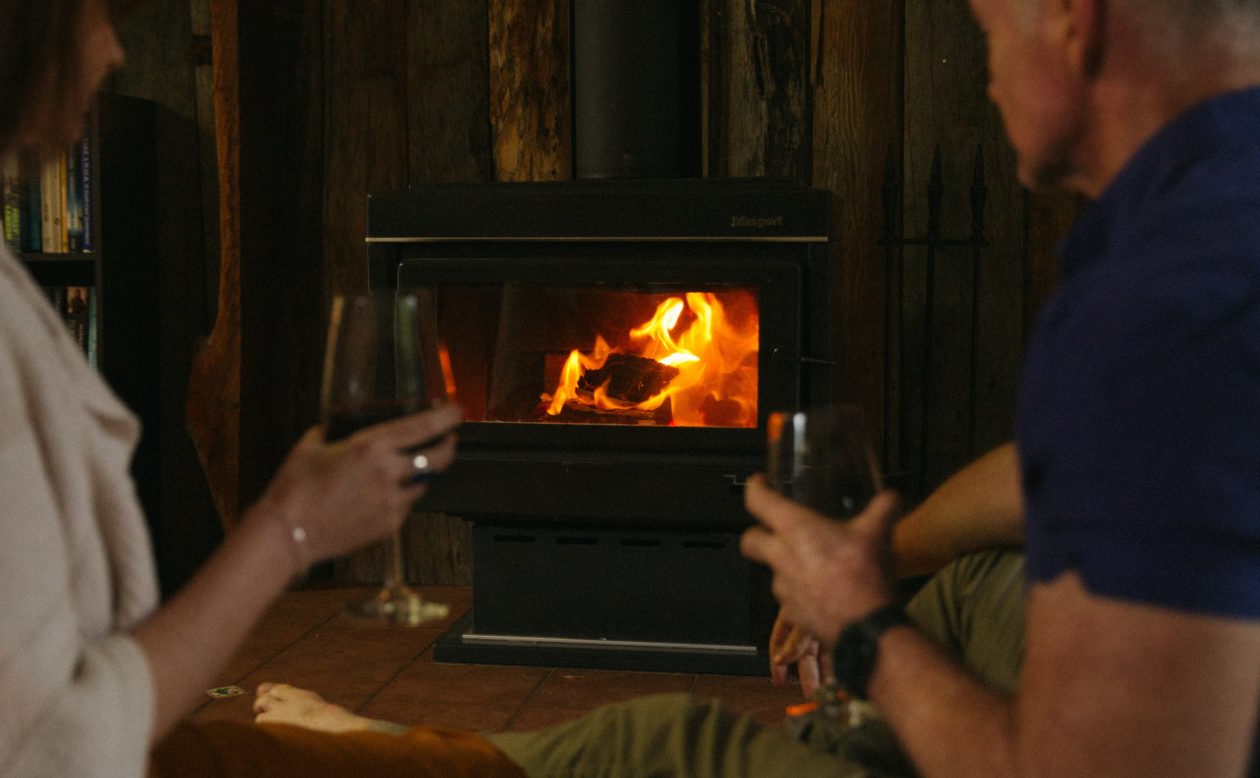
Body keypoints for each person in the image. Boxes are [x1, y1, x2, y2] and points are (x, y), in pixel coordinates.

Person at [254, 0, 1260, 775]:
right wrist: (881, 560)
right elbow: (1050, 479)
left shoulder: (1162, 302)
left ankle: (403, 760)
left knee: (664, 737)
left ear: (1075, 24)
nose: (988, 76)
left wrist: (864, 619)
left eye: (987, 26)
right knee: (963, 587)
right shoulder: (1217, 210)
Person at [0, 2, 518, 776]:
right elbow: (45, 753)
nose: (115, 53)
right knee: (609, 750)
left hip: (137, 745)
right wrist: (291, 526)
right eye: (93, 14)